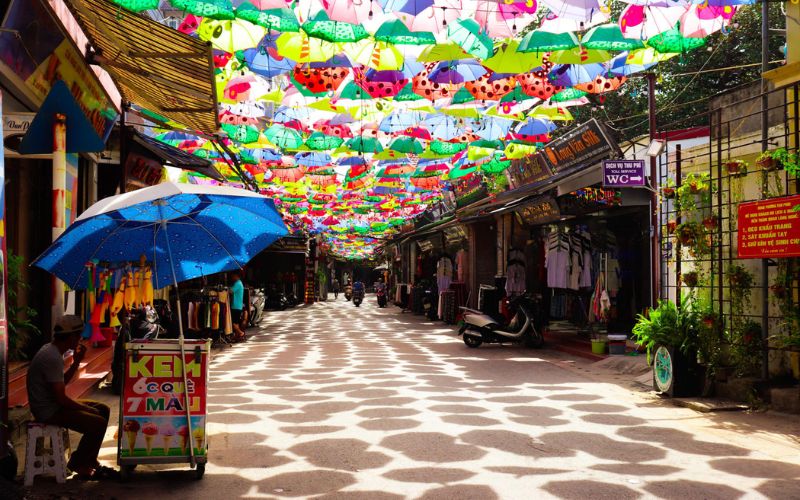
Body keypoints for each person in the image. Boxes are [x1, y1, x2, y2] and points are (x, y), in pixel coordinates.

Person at [27, 315, 117, 480]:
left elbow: (61, 383)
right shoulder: (52, 357)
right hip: (48, 410)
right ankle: (78, 464)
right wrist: (86, 408)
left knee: (103, 409)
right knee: (98, 422)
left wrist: (76, 362)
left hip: (53, 404)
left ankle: (88, 460)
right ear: (71, 337)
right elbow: (61, 399)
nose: (81, 339)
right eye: (79, 336)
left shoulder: (54, 350)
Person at [230, 270, 246, 342]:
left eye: (233, 276)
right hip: (238, 306)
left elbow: (230, 291)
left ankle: (241, 333)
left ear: (236, 276)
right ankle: (237, 336)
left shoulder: (238, 283)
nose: (232, 277)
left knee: (233, 323)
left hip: (235, 306)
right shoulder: (239, 283)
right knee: (236, 322)